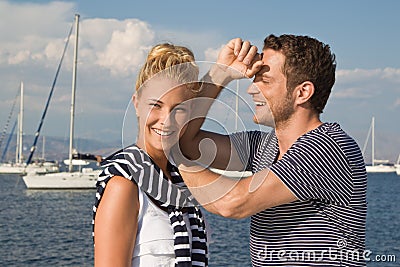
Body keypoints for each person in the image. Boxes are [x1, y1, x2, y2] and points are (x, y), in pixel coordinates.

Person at [173, 35, 367, 266]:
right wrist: (221, 72)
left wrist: (177, 157)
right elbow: (187, 139)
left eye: (264, 81)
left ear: (303, 92)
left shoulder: (329, 147)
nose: (251, 90)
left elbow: (233, 203)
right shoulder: (264, 147)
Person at [92, 43, 209, 267]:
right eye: (156, 105)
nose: (166, 120)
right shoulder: (123, 186)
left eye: (180, 109)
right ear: (137, 104)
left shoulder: (180, 182)